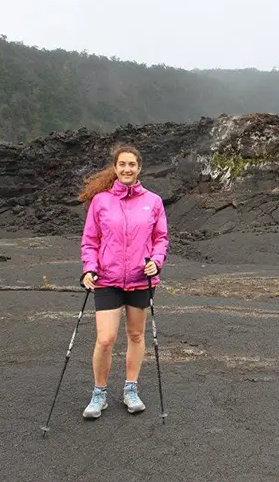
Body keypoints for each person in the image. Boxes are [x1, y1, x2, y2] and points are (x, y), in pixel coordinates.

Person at [77, 144, 169, 419]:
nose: (127, 169)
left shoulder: (153, 201)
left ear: (139, 168)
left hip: (141, 279)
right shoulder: (101, 201)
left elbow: (160, 238)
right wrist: (89, 269)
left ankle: (131, 389)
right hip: (107, 279)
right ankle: (99, 394)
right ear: (115, 168)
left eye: (132, 164)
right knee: (105, 339)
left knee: (136, 335)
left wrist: (157, 260)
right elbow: (90, 240)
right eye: (122, 164)